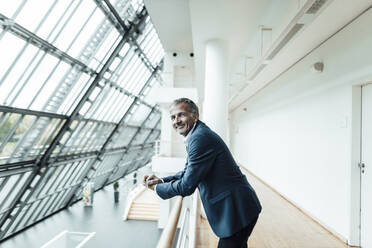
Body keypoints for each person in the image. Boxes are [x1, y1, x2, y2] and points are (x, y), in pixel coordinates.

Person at [143, 98, 261, 248]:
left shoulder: (199, 138)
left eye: (181, 115)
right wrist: (161, 181)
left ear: (195, 116)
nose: (176, 121)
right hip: (238, 207)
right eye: (173, 117)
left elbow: (187, 186)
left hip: (237, 210)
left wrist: (156, 188)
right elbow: (187, 172)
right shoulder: (197, 134)